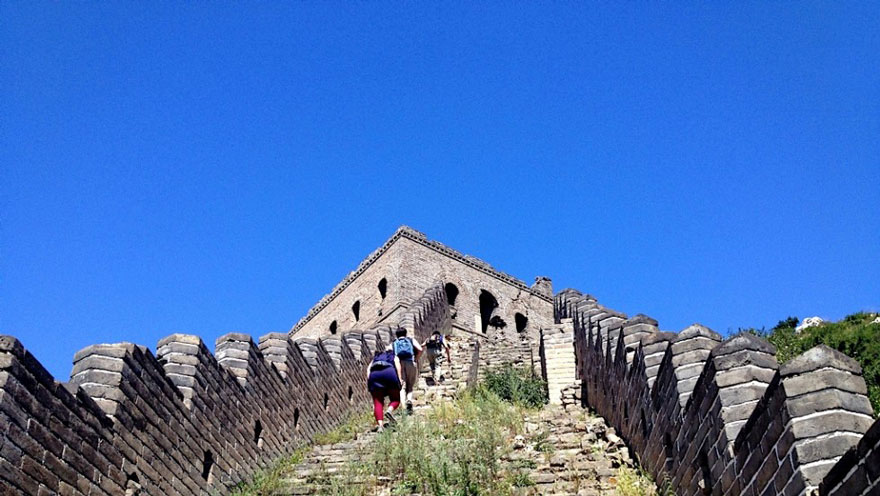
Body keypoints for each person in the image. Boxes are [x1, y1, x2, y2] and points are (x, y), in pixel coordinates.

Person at [366, 348, 402, 432]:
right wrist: (399, 379)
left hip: (374, 374)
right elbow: (398, 366)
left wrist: (370, 381)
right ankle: (389, 410)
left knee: (377, 401)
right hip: (389, 372)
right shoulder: (393, 356)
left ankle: (380, 426)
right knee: (395, 399)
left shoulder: (376, 358)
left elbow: (368, 370)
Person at [389, 327, 422, 413]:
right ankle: (409, 400)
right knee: (410, 385)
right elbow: (420, 349)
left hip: (399, 364)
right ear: (405, 333)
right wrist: (416, 359)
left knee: (402, 386)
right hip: (410, 362)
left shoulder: (394, 343)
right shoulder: (410, 340)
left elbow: (387, 352)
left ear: (396, 335)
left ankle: (403, 406)